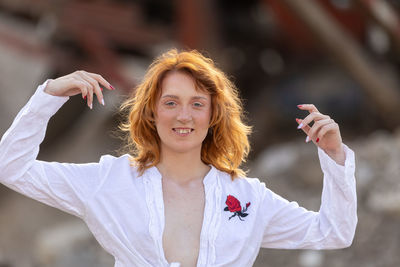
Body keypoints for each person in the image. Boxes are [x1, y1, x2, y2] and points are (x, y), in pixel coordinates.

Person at [0, 49, 357, 267]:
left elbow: (333, 233)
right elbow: (11, 167)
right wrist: (49, 95)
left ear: (214, 115)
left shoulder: (249, 197)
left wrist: (335, 157)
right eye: (170, 103)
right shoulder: (108, 182)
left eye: (197, 104)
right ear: (152, 113)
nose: (184, 116)